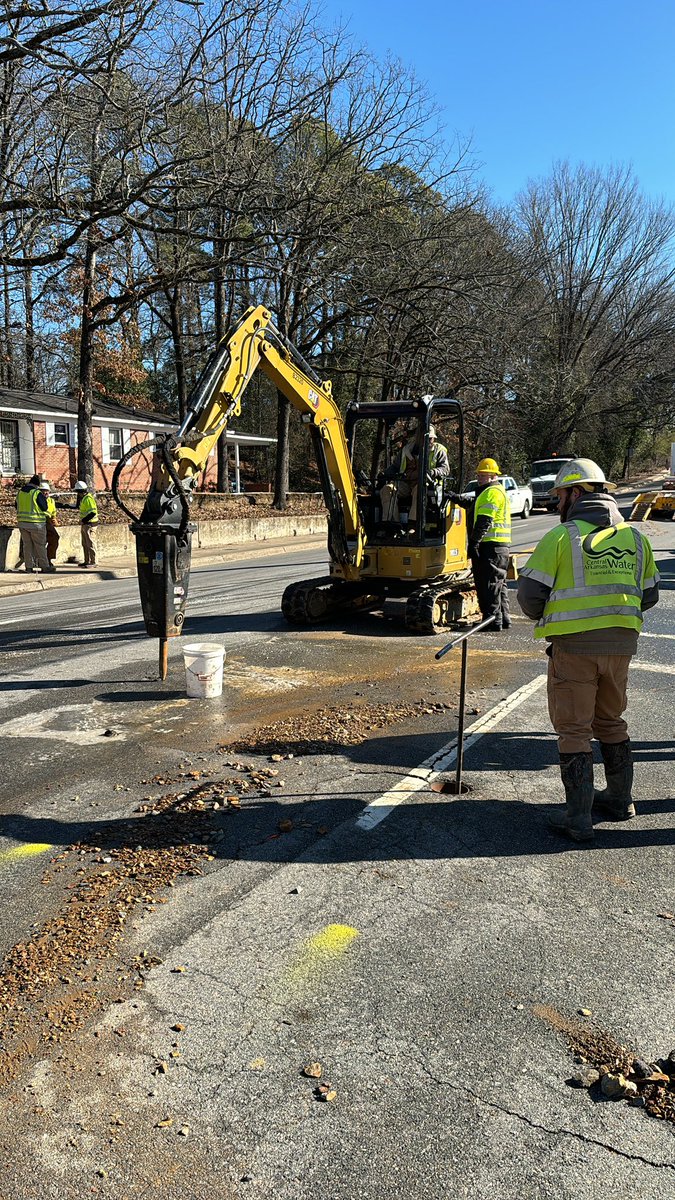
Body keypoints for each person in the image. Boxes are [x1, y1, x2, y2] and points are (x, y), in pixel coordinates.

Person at [517, 458, 660, 843]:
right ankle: (619, 799)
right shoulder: (636, 538)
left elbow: (530, 598)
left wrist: (562, 614)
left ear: (576, 494)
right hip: (621, 646)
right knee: (611, 721)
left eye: (560, 494)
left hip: (575, 648)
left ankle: (577, 818)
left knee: (574, 731)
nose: (557, 502)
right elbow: (649, 595)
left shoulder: (563, 537)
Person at [451, 457, 511, 630]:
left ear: (493, 476)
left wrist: (474, 543)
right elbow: (475, 505)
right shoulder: (494, 491)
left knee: (488, 584)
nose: (480, 478)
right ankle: (503, 619)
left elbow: (484, 520)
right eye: (479, 474)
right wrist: (456, 498)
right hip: (499, 546)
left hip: (490, 546)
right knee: (499, 584)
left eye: (483, 475)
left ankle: (491, 620)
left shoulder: (491, 492)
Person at [379, 424, 450, 525]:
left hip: (426, 483)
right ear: (419, 438)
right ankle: (392, 524)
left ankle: (414, 525)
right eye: (427, 438)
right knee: (387, 489)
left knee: (419, 490)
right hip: (405, 482)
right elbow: (395, 466)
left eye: (431, 438)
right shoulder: (406, 450)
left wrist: (433, 472)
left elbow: (445, 469)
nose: (429, 441)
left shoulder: (439, 451)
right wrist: (384, 474)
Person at [15, 473, 55, 574]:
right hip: (36, 524)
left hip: (22, 523)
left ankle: (28, 567)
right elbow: (44, 507)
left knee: (27, 546)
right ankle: (44, 566)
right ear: (37, 485)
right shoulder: (36, 493)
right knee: (40, 546)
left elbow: (16, 505)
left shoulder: (20, 492)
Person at [65, 480, 99, 567]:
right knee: (85, 544)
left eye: (78, 492)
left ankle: (94, 562)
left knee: (91, 544)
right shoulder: (85, 499)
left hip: (90, 524)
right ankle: (87, 561)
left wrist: (83, 520)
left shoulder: (88, 499)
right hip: (86, 524)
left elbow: (93, 513)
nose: (77, 494)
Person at [40, 480, 60, 566]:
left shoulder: (51, 501)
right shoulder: (38, 500)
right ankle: (44, 560)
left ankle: (49, 558)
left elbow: (53, 512)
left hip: (48, 522)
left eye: (47, 491)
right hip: (40, 521)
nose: (45, 493)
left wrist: (54, 519)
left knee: (54, 538)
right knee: (41, 542)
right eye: (43, 491)